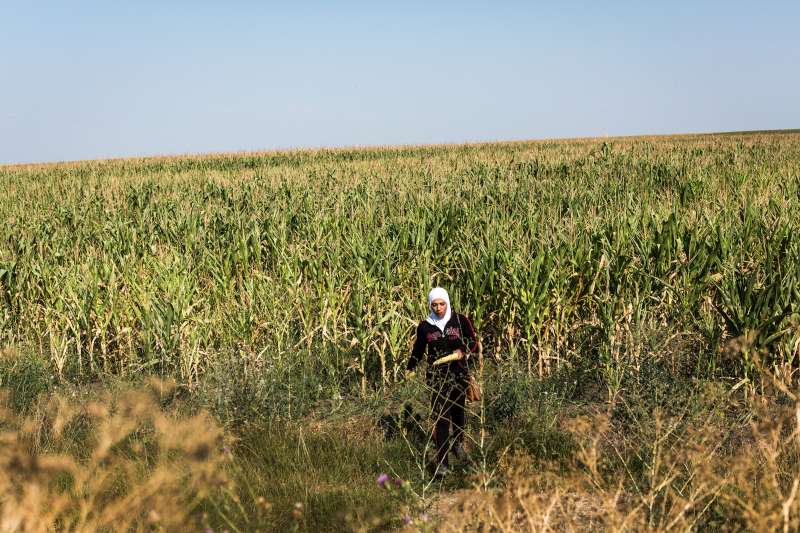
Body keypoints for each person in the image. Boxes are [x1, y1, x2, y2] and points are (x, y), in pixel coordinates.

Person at [406, 287, 478, 477]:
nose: (438, 308)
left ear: (447, 302)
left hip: (459, 373)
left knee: (458, 413)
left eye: (442, 304)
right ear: (430, 305)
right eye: (434, 304)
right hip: (437, 377)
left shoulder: (460, 320)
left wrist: (463, 351)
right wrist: (410, 368)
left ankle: (458, 444)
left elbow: (474, 342)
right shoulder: (425, 326)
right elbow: (418, 350)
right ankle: (442, 463)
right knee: (441, 419)